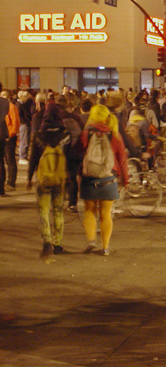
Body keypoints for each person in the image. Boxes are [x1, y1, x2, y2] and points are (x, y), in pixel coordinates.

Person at [80, 104, 129, 256]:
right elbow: (122, 159)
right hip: (109, 178)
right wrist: (125, 180)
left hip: (89, 178)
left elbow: (79, 154)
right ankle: (105, 247)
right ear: (107, 117)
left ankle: (91, 241)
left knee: (89, 210)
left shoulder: (86, 133)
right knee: (106, 213)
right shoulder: (114, 134)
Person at [25, 104, 74, 259]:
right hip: (59, 178)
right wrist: (71, 176)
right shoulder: (66, 135)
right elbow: (70, 158)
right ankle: (57, 243)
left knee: (43, 211)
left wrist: (29, 177)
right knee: (58, 211)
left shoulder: (38, 135)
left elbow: (33, 158)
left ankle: (46, 240)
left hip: (43, 178)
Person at [1, 89, 20, 192]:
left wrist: (9, 135)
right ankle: (2, 183)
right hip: (1, 137)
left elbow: (15, 124)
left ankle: (11, 182)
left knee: (10, 160)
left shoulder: (12, 107)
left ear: (8, 97)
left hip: (9, 138)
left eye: (4, 96)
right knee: (2, 162)